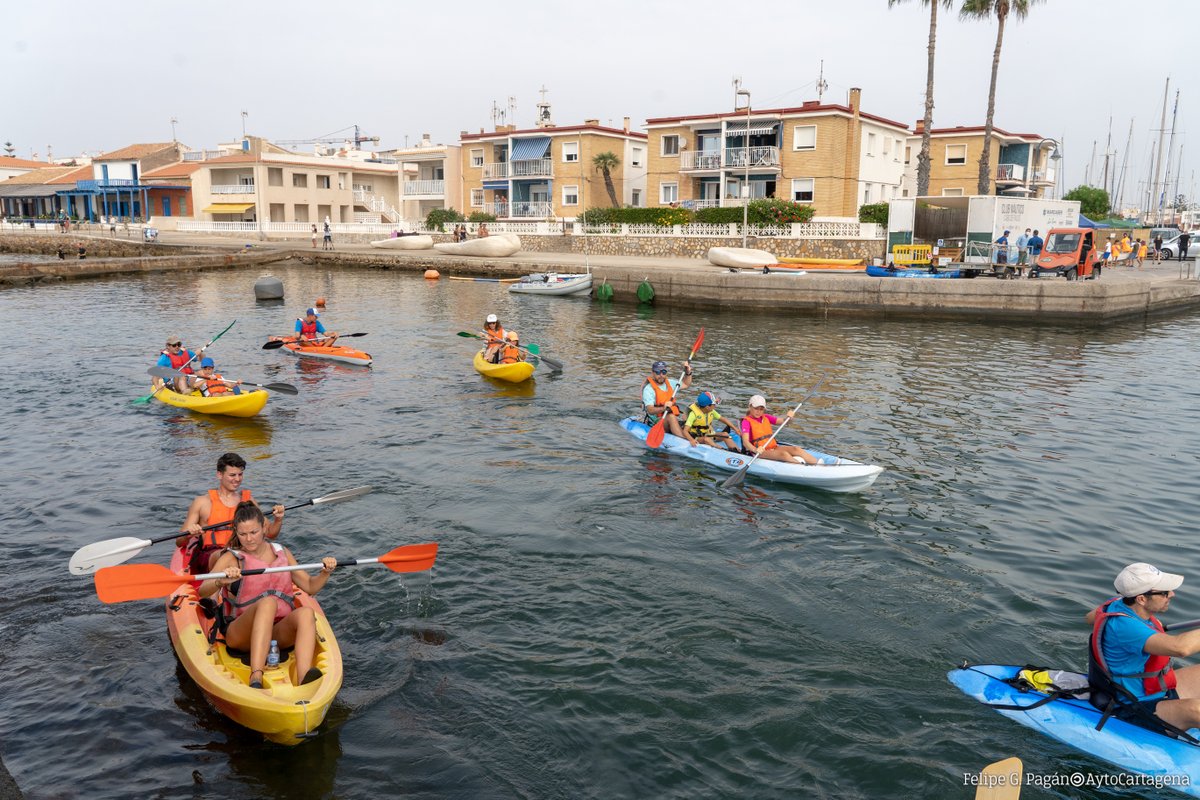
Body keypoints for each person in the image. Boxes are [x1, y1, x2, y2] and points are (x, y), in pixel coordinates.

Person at [200, 502, 335, 689]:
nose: (248, 539)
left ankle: (304, 675)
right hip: (240, 635)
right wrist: (219, 582)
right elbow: (202, 590)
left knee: (305, 613)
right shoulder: (232, 557)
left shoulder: (282, 552)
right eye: (242, 534)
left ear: (264, 527)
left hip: (276, 632)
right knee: (268, 603)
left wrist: (325, 572)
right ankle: (256, 676)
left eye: (253, 532)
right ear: (236, 533)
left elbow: (310, 587)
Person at [1085, 563, 1200, 734]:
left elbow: (1090, 617)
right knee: (1196, 710)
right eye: (1164, 592)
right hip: (1132, 706)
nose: (1172, 594)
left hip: (1151, 690)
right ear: (1141, 599)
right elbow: (1180, 648)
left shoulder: (1118, 604)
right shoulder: (1125, 626)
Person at [176, 452, 284, 574]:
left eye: (240, 474)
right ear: (219, 475)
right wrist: (189, 534)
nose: (237, 479)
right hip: (211, 555)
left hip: (243, 551)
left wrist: (278, 520)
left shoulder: (248, 501)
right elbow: (179, 542)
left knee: (269, 550)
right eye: (232, 475)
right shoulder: (202, 502)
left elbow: (270, 533)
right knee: (228, 556)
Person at [740, 395, 823, 465]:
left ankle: (818, 465)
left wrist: (789, 418)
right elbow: (745, 442)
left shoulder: (766, 417)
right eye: (756, 408)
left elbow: (784, 422)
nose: (758, 411)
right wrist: (755, 450)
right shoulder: (746, 422)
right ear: (750, 407)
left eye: (761, 409)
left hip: (773, 447)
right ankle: (802, 468)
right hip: (759, 452)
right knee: (784, 454)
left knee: (796, 449)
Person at [642, 359, 693, 439]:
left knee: (691, 412)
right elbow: (650, 410)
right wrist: (664, 408)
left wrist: (688, 373)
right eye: (658, 372)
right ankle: (684, 439)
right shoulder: (649, 389)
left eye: (664, 372)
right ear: (653, 373)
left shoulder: (670, 383)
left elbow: (686, 384)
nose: (661, 375)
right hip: (657, 421)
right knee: (671, 417)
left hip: (670, 416)